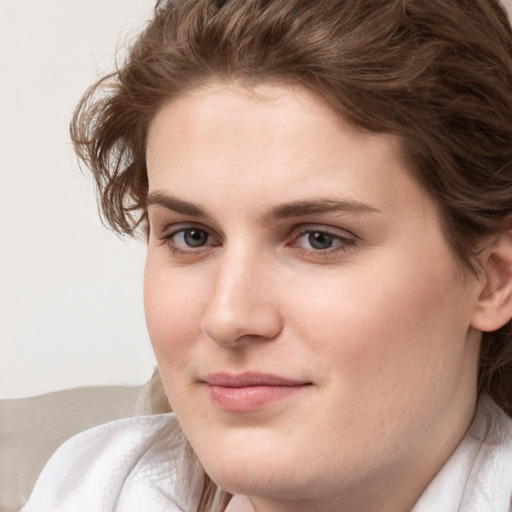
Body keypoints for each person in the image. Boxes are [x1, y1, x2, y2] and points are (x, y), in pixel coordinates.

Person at [22, 0, 512, 511]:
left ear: (494, 279)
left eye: (319, 239)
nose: (228, 317)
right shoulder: (89, 490)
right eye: (191, 236)